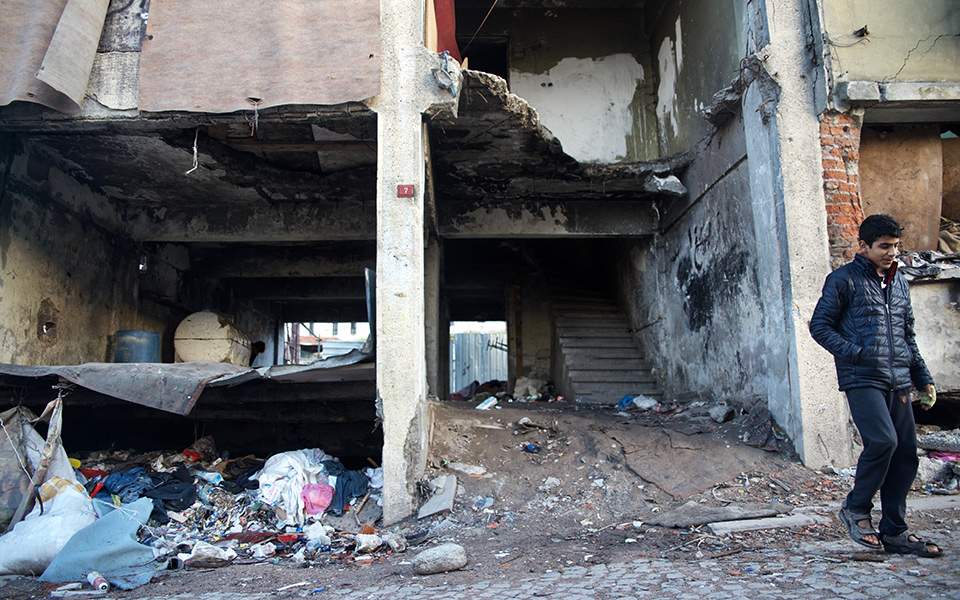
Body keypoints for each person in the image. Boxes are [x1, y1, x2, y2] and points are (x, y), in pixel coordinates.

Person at [809, 213, 942, 558]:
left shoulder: (899, 282)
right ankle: (856, 508)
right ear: (864, 246)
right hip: (862, 377)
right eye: (884, 246)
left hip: (897, 378)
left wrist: (923, 378)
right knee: (883, 441)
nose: (891, 253)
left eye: (895, 247)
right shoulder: (843, 280)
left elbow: (907, 334)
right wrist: (855, 353)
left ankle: (895, 532)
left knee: (905, 454)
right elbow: (820, 327)